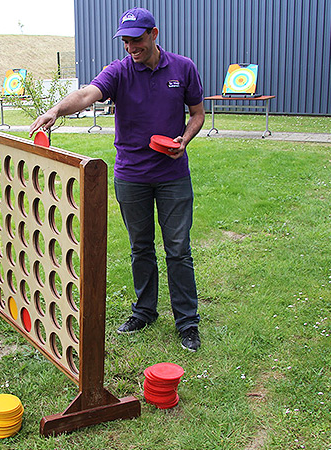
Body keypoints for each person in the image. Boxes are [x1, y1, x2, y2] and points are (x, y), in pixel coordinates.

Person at [29, 7, 205, 351]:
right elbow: (86, 94)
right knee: (141, 247)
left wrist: (184, 140)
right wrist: (55, 110)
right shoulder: (119, 72)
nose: (130, 47)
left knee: (178, 250)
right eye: (125, 41)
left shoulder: (183, 68)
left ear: (154, 34)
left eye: (136, 40)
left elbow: (197, 114)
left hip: (172, 175)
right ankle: (144, 311)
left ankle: (187, 322)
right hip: (132, 175)